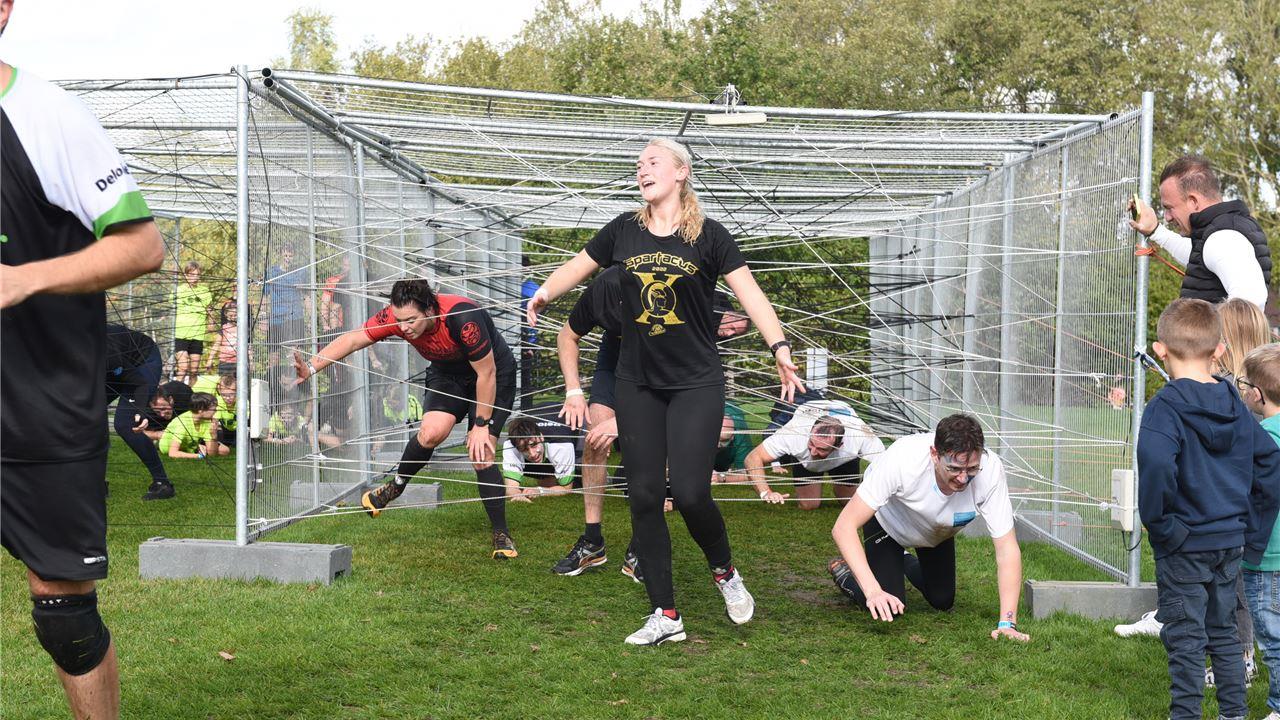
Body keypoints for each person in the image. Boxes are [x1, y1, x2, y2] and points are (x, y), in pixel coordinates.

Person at [529, 137, 804, 646]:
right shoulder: (623, 230)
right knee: (645, 496)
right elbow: (578, 265)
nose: (642, 170)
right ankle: (666, 614)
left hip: (696, 382)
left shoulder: (710, 236)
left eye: (652, 162)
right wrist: (546, 291)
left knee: (693, 493)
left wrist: (780, 347)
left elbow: (752, 296)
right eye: (638, 165)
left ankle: (725, 571)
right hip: (638, 384)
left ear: (681, 172)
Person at [0, 3, 166, 712]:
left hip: (41, 407)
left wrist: (23, 279)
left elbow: (142, 246)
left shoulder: (48, 116)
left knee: (64, 616)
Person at [293, 278, 519, 559]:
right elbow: (353, 339)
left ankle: (501, 533)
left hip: (492, 374)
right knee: (430, 433)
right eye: (399, 321)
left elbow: (487, 374)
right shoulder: (397, 316)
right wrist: (312, 367)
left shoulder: (463, 318)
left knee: (481, 452)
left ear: (430, 309)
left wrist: (481, 425)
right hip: (448, 374)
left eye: (411, 320)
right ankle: (395, 486)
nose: (404, 328)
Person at [1136, 298, 1280, 720]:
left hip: (1186, 544)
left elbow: (1156, 467)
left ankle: (1190, 714)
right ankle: (1233, 713)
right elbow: (1270, 462)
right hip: (1226, 544)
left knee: (1186, 639)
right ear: (1219, 350)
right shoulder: (1236, 402)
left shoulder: (1163, 408)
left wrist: (1161, 526)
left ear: (1161, 350)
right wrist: (1245, 524)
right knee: (1223, 633)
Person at [828, 414, 1029, 644]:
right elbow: (843, 527)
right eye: (954, 468)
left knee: (942, 600)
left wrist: (1007, 623)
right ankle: (845, 572)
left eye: (972, 469)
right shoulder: (902, 459)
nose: (963, 478)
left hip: (936, 531)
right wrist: (873, 591)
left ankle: (901, 559)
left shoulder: (990, 471)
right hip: (888, 525)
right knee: (888, 606)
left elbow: (1006, 548)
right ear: (935, 454)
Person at [554, 265, 633, 577]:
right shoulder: (599, 290)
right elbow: (566, 336)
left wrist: (625, 421)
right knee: (595, 441)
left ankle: (643, 543)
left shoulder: (660, 293)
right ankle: (592, 541)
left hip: (660, 359)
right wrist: (574, 391)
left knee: (647, 445)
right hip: (615, 357)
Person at [1130, 155, 1270, 309]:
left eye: (1169, 208)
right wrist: (1155, 230)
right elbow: (1198, 255)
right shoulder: (1218, 234)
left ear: (1193, 201)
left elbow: (1250, 302)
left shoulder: (1223, 239)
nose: (1167, 217)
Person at [746, 398, 885, 509]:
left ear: (839, 445)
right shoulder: (793, 432)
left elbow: (885, 466)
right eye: (811, 443)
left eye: (821, 449)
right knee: (809, 505)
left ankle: (842, 484)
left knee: (849, 502)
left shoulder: (860, 435)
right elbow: (753, 458)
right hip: (806, 461)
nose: (813, 451)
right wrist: (766, 492)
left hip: (844, 459)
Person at [1239, 344, 1280, 720]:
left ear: (1257, 394)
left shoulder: (1263, 438)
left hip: (1267, 557)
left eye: (1243, 384)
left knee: (1272, 635)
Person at [104, 324, 175, 500]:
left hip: (144, 360)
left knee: (125, 424)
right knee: (87, 415)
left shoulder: (106, 353)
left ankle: (163, 483)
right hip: (117, 364)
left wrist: (140, 411)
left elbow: (139, 384)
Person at [501, 417, 577, 501]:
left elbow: (567, 488)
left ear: (541, 437)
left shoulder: (562, 447)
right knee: (547, 483)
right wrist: (517, 495)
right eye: (524, 449)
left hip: (569, 430)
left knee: (578, 481)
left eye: (534, 445)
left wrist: (539, 491)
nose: (532, 454)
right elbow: (511, 488)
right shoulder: (511, 446)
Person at [172, 260, 212, 385]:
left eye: (197, 275)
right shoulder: (178, 291)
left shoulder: (205, 291)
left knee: (194, 371)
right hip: (181, 334)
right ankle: (176, 391)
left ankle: (190, 392)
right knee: (183, 367)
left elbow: (209, 309)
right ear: (186, 275)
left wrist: (211, 323)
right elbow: (171, 309)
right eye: (191, 274)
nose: (194, 277)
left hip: (198, 334)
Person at [160, 392, 227, 460]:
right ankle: (198, 448)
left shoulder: (207, 420)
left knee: (224, 450)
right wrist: (199, 456)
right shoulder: (183, 422)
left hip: (188, 446)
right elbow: (172, 453)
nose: (216, 411)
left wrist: (214, 436)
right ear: (201, 410)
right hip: (169, 448)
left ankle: (198, 447)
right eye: (213, 409)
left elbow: (212, 454)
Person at [711, 403, 752, 485]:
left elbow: (749, 475)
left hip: (733, 408)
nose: (717, 445)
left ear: (733, 436)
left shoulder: (741, 434)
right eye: (713, 439)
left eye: (723, 440)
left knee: (722, 467)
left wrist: (721, 478)